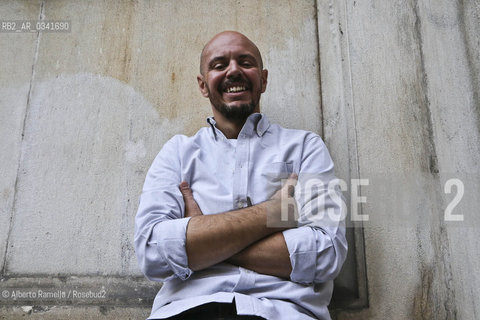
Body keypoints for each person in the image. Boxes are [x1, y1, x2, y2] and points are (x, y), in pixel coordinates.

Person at [134, 31, 347, 320]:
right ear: (202, 85)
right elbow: (151, 253)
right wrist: (272, 214)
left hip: (284, 313)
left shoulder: (306, 147)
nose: (233, 70)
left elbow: (328, 253)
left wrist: (203, 238)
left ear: (263, 79)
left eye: (245, 62)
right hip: (187, 311)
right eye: (219, 65)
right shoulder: (177, 152)